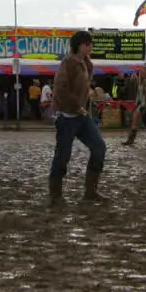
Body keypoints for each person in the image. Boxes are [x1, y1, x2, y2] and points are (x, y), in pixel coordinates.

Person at [47, 31, 107, 205]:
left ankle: (91, 191)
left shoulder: (87, 64)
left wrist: (88, 95)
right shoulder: (68, 63)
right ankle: (55, 195)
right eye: (87, 44)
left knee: (99, 147)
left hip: (81, 115)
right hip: (66, 116)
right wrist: (76, 105)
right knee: (62, 156)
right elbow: (61, 89)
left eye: (91, 44)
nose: (90, 47)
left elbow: (81, 88)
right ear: (79, 45)